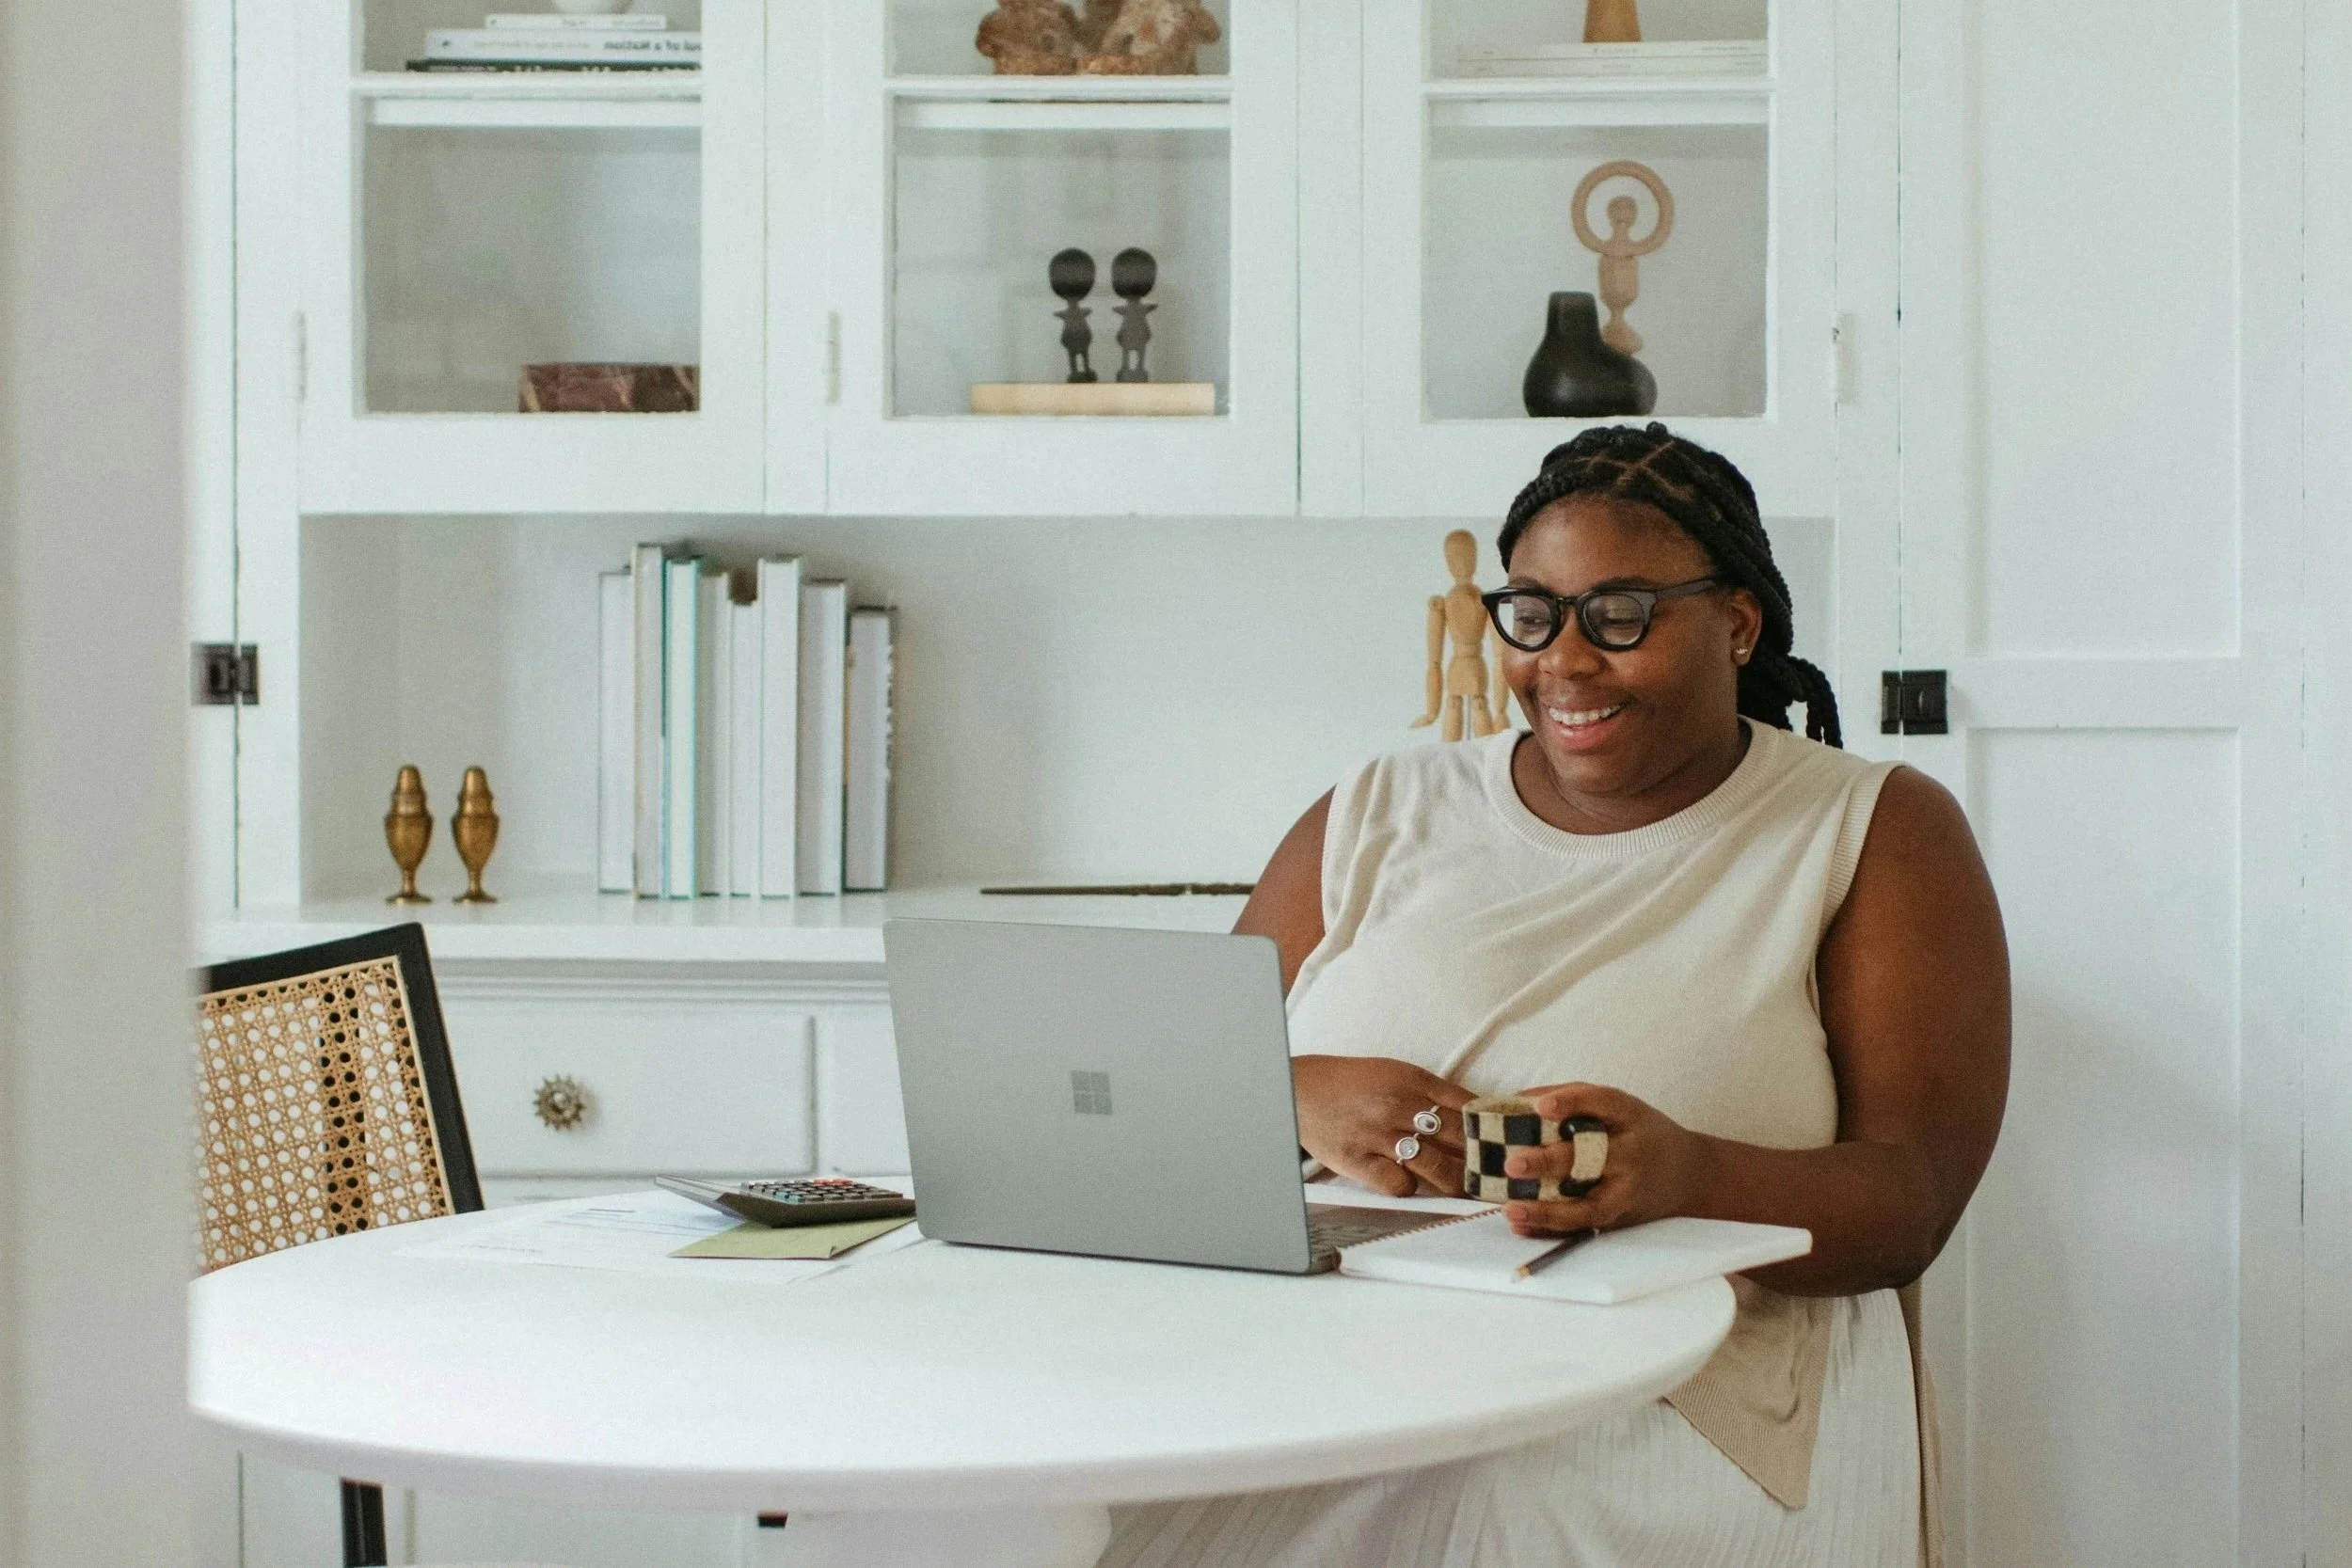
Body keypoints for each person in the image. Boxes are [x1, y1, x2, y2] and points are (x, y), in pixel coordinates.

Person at [1100, 423, 2010, 1567]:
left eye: (1619, 614)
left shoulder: (1868, 828)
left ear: (1737, 623)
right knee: (1103, 1486)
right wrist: (1293, 1091)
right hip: (1334, 1345)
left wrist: (1685, 1175)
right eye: (1530, 613)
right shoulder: (1375, 808)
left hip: (1680, 1374)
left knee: (1473, 1507)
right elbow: (1164, 1095)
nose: (1564, 661)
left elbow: (1910, 1204)